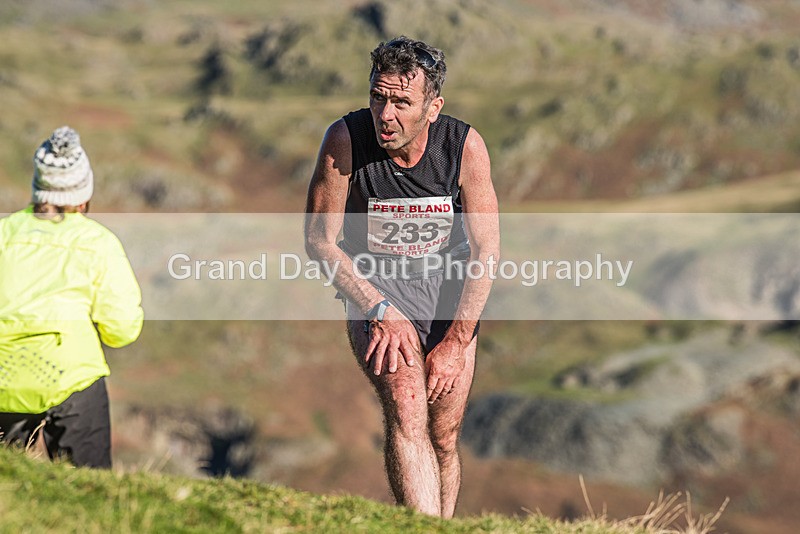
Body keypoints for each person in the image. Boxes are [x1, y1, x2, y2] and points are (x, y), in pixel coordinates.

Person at [305, 37, 499, 517]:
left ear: (433, 107)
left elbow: (486, 249)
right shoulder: (345, 140)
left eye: (401, 102)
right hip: (377, 290)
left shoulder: (464, 147)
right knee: (407, 406)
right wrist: (376, 307)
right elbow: (319, 239)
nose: (384, 114)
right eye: (377, 96)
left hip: (448, 296)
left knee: (444, 435)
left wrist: (457, 340)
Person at [0, 126, 143, 468]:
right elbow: (122, 329)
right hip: (72, 382)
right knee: (93, 490)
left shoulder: (3, 233)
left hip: (3, 383)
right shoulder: (98, 242)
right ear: (82, 193)